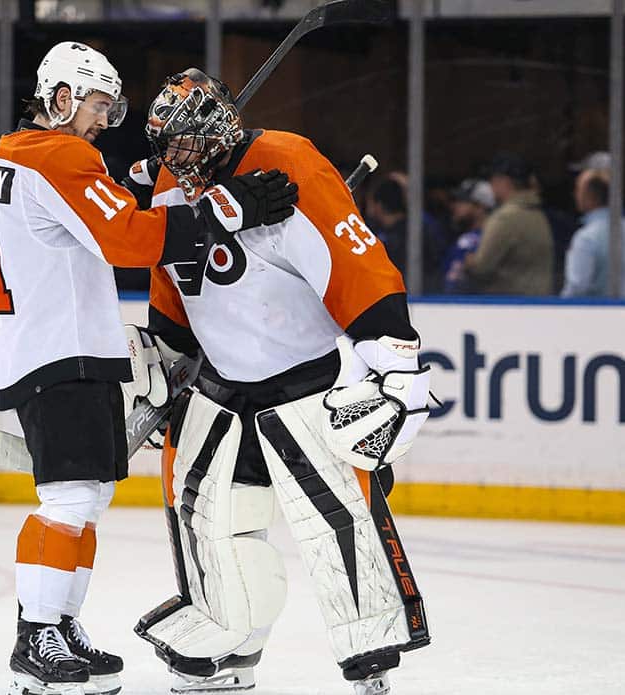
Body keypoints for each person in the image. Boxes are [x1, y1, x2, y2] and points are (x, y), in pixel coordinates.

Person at [0, 44, 297, 695]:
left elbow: (72, 223)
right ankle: (36, 634)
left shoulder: (11, 153)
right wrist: (226, 205)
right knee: (68, 498)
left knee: (85, 497)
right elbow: (128, 241)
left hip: (57, 346)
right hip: (57, 350)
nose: (104, 119)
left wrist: (122, 189)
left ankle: (59, 627)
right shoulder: (62, 153)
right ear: (61, 97)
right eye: (97, 105)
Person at [129, 68, 431, 695]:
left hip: (306, 387)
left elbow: (353, 260)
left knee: (339, 525)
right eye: (165, 145)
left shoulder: (288, 159)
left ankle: (368, 663)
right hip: (219, 386)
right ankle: (227, 645)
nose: (171, 159)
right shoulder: (171, 181)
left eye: (183, 144)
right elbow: (171, 277)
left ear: (216, 133)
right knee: (208, 522)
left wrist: (394, 353)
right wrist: (167, 358)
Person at [463, 152, 553, 295]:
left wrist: (467, 262)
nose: (490, 186)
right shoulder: (537, 214)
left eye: (492, 180)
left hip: (508, 306)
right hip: (534, 303)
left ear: (504, 182)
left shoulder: (505, 218)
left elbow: (481, 267)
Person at [561, 169, 625, 297]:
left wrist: (557, 310)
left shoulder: (587, 238)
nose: (574, 195)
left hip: (598, 313)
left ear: (589, 197)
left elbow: (577, 286)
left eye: (578, 190)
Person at [443, 178, 494, 293]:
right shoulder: (459, 237)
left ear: (480, 207)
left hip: (475, 306)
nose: (455, 206)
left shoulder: (490, 239)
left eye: (463, 201)